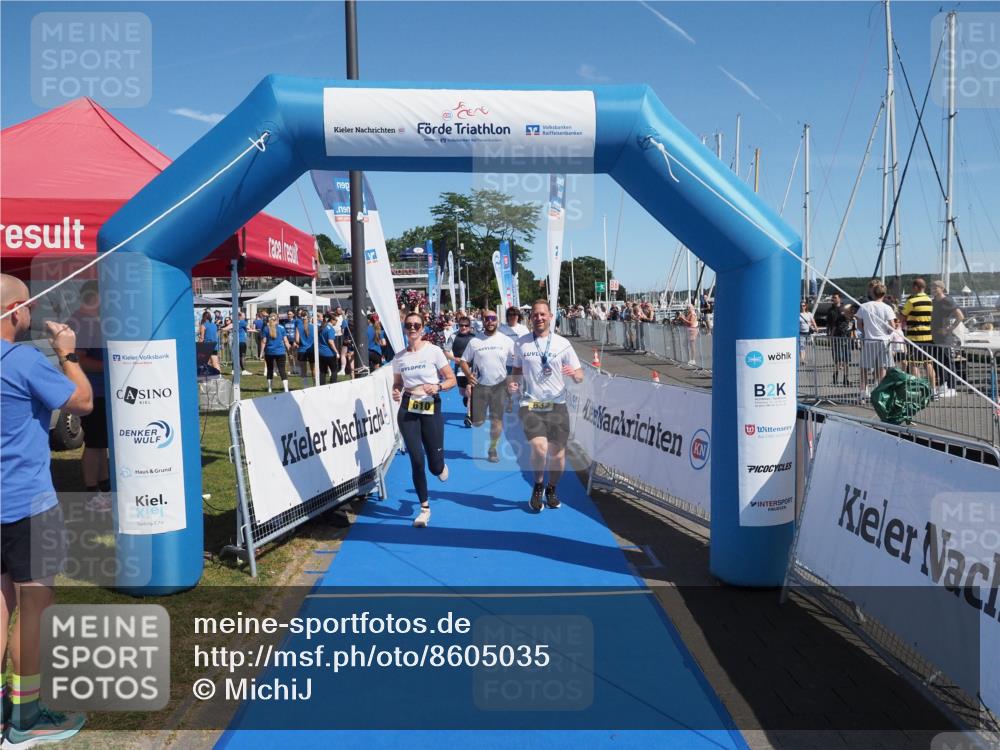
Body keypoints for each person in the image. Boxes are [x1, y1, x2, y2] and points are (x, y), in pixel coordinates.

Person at [2, 273, 91, 746]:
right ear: (16, 311)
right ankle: (27, 717)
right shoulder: (21, 361)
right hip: (28, 503)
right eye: (29, 307)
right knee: (36, 606)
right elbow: (82, 401)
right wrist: (68, 353)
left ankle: (3, 710)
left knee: (0, 605)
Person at [507, 300, 584, 512]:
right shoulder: (521, 343)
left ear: (550, 316)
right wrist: (512, 383)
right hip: (530, 404)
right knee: (540, 448)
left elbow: (580, 374)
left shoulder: (562, 344)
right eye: (535, 315)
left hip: (557, 405)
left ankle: (551, 488)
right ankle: (538, 485)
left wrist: (575, 375)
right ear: (530, 318)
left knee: (558, 455)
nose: (538, 318)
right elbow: (516, 370)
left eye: (542, 314)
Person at [392, 312, 457, 527]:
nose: (412, 328)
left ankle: (440, 465)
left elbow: (451, 380)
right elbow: (398, 383)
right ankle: (424, 508)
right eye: (409, 325)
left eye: (416, 325)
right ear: (404, 328)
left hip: (430, 406)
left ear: (423, 328)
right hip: (408, 408)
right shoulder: (399, 357)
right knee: (416, 460)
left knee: (434, 467)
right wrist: (396, 390)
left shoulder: (433, 351)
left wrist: (437, 386)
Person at [67, 281, 111, 512]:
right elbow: (79, 359)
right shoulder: (82, 322)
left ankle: (104, 488)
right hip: (93, 391)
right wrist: (112, 366)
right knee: (94, 443)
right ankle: (92, 492)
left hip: (100, 391)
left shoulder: (91, 321)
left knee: (101, 442)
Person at [461, 309, 515, 462]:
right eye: (487, 318)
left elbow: (518, 356)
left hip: (499, 386)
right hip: (480, 386)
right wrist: (468, 375)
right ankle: (478, 415)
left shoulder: (505, 340)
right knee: (478, 423)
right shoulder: (474, 341)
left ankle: (493, 448)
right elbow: (464, 361)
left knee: (497, 420)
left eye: (493, 318)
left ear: (497, 320)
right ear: (482, 321)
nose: (490, 321)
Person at [855, 281, 896, 398]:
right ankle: (880, 391)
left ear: (873, 293)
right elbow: (892, 326)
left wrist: (864, 333)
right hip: (884, 340)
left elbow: (859, 324)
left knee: (864, 367)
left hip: (870, 340)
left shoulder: (865, 306)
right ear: (884, 294)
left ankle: (863, 391)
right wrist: (887, 332)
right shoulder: (887, 307)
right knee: (882, 367)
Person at [930, 280, 964, 398]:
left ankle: (952, 387)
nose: (933, 289)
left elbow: (960, 316)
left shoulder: (948, 300)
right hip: (935, 336)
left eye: (935, 287)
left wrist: (949, 329)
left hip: (945, 338)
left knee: (948, 361)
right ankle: (944, 384)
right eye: (932, 287)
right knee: (938, 361)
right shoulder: (934, 301)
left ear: (942, 288)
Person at [446, 316, 477, 426]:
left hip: (472, 368)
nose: (463, 327)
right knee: (463, 392)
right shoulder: (453, 336)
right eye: (461, 325)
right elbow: (446, 351)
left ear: (470, 326)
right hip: (459, 368)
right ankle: (466, 397)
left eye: (466, 325)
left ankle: (469, 416)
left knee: (470, 390)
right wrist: (454, 359)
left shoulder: (475, 338)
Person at [262, 313, 291, 393]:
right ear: (277, 319)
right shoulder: (281, 328)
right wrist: (289, 350)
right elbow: (285, 341)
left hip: (269, 352)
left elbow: (264, 342)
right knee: (282, 370)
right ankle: (286, 389)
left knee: (270, 370)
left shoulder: (266, 328)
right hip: (280, 352)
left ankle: (270, 388)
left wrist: (261, 353)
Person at [830, 304, 856, 387]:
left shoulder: (853, 320)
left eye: (852, 312)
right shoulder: (840, 318)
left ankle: (845, 379)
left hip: (847, 342)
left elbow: (852, 331)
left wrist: (854, 339)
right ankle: (835, 376)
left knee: (847, 361)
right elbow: (834, 328)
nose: (851, 313)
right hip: (838, 341)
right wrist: (831, 338)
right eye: (849, 312)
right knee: (838, 361)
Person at [317, 313, 339, 385]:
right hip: (329, 353)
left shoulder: (321, 327)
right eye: (336, 320)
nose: (337, 321)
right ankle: (333, 386)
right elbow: (330, 341)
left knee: (322, 371)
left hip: (321, 353)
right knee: (334, 370)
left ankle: (321, 387)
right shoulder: (330, 329)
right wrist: (336, 352)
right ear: (332, 320)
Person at [798, 300, 819, 364]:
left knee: (804, 346)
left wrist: (816, 328)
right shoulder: (798, 314)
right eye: (801, 305)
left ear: (806, 306)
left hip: (808, 333)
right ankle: (802, 360)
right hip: (801, 333)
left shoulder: (809, 314)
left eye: (803, 305)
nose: (802, 307)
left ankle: (802, 359)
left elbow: (813, 321)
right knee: (802, 346)